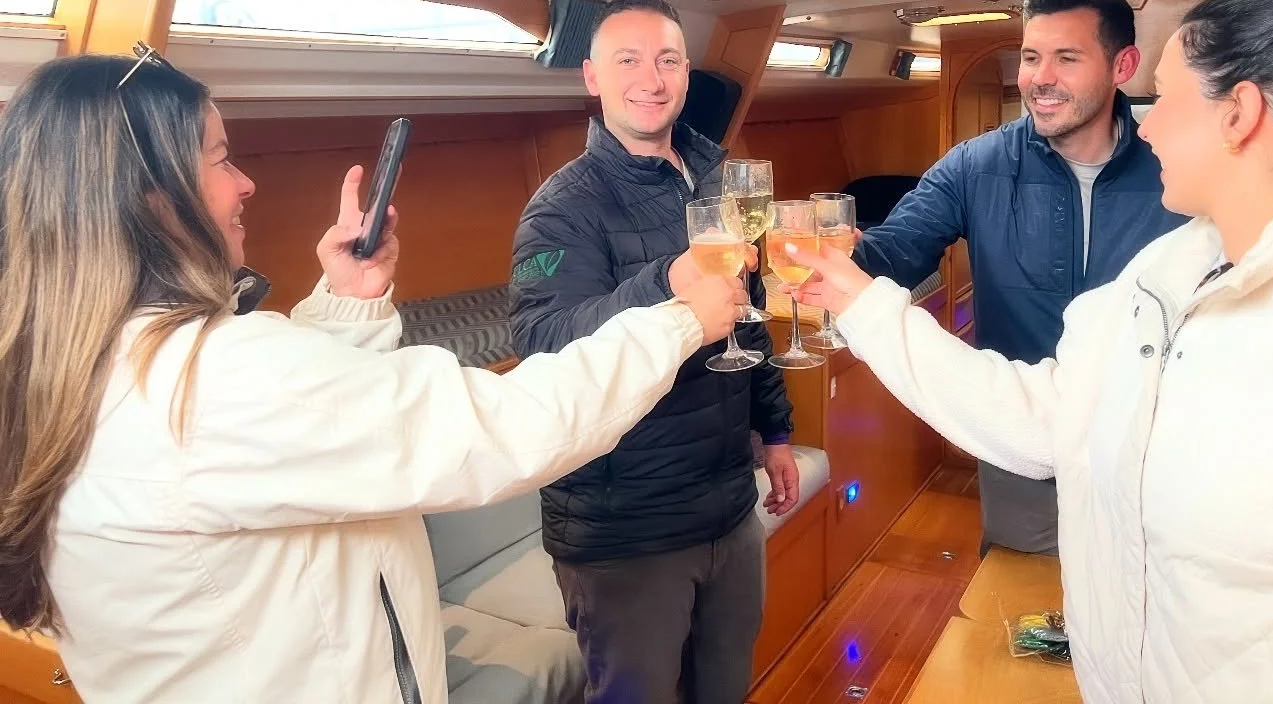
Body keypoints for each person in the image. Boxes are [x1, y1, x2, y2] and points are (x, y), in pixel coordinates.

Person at [783, 0, 1273, 701]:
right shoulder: (1169, 272)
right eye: (1031, 56)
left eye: (1168, 99)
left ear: (1240, 114)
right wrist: (856, 295)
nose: (1150, 130)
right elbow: (1049, 416)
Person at [0, 49, 747, 704]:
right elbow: (511, 426)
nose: (245, 183)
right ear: (151, 196)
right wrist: (679, 320)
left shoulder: (83, 363)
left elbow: (292, 424)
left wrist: (346, 303)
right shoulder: (211, 382)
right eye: (220, 159)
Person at [510, 0, 797, 704]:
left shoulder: (717, 178)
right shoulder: (561, 208)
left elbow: (747, 316)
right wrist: (665, 280)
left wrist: (776, 430)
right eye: (628, 60)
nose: (651, 78)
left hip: (727, 504)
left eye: (668, 60)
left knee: (725, 689)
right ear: (592, 77)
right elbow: (543, 346)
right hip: (625, 531)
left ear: (687, 74)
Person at [853, 0, 1185, 555]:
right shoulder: (974, 164)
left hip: (1152, 440)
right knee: (1018, 592)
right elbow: (893, 255)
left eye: (1067, 58)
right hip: (1020, 437)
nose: (1040, 77)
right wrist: (841, 251)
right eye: (1031, 57)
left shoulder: (1177, 167)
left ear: (1123, 65)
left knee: (1147, 589)